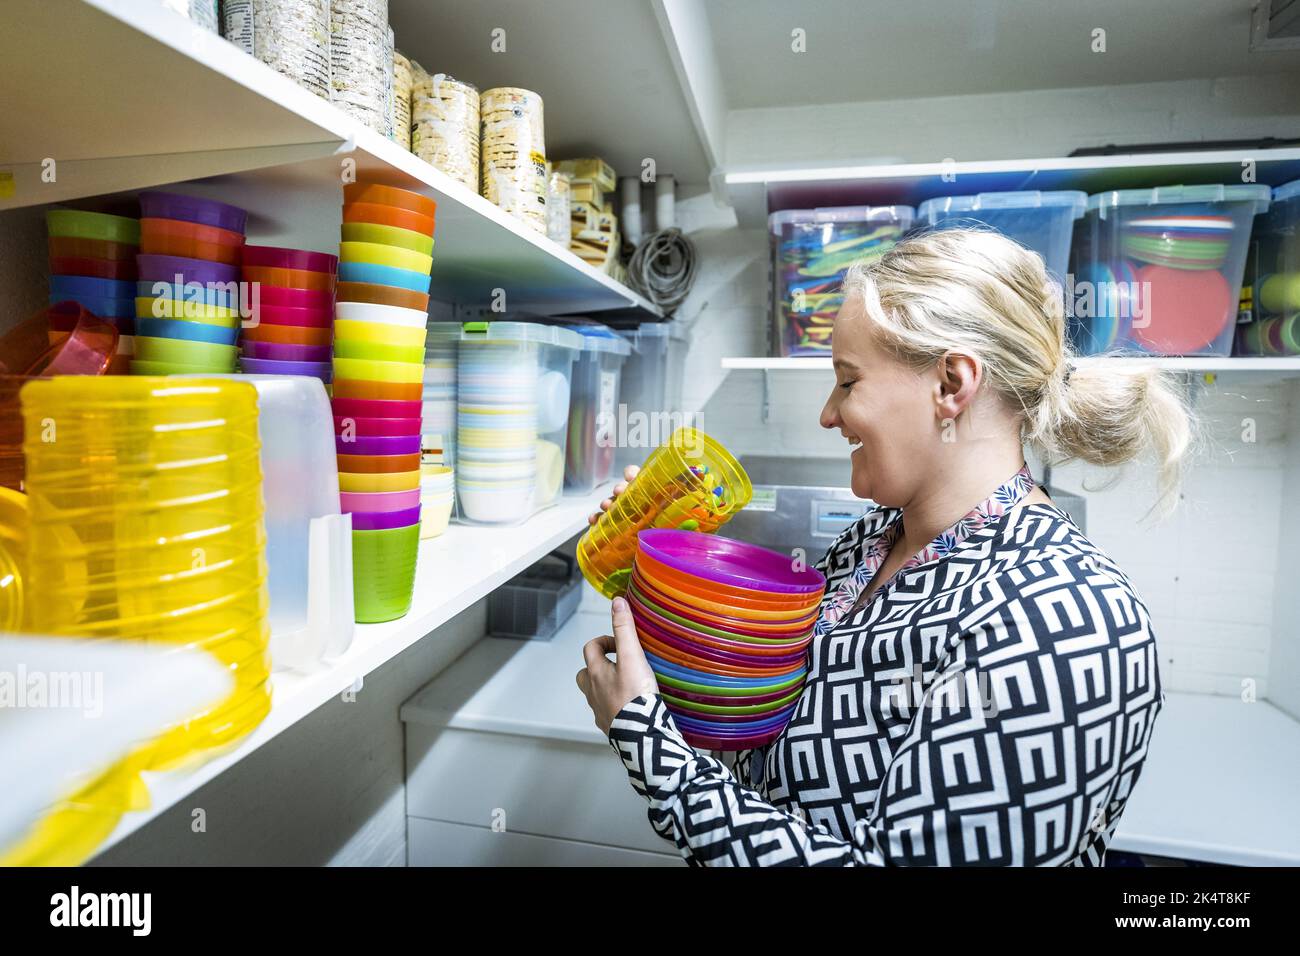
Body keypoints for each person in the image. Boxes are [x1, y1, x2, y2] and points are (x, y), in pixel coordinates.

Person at [575, 228, 1191, 866]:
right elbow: (758, 736)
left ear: (951, 384)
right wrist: (652, 576)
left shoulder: (1065, 618)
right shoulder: (873, 541)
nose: (828, 413)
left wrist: (652, 751)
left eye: (847, 381)